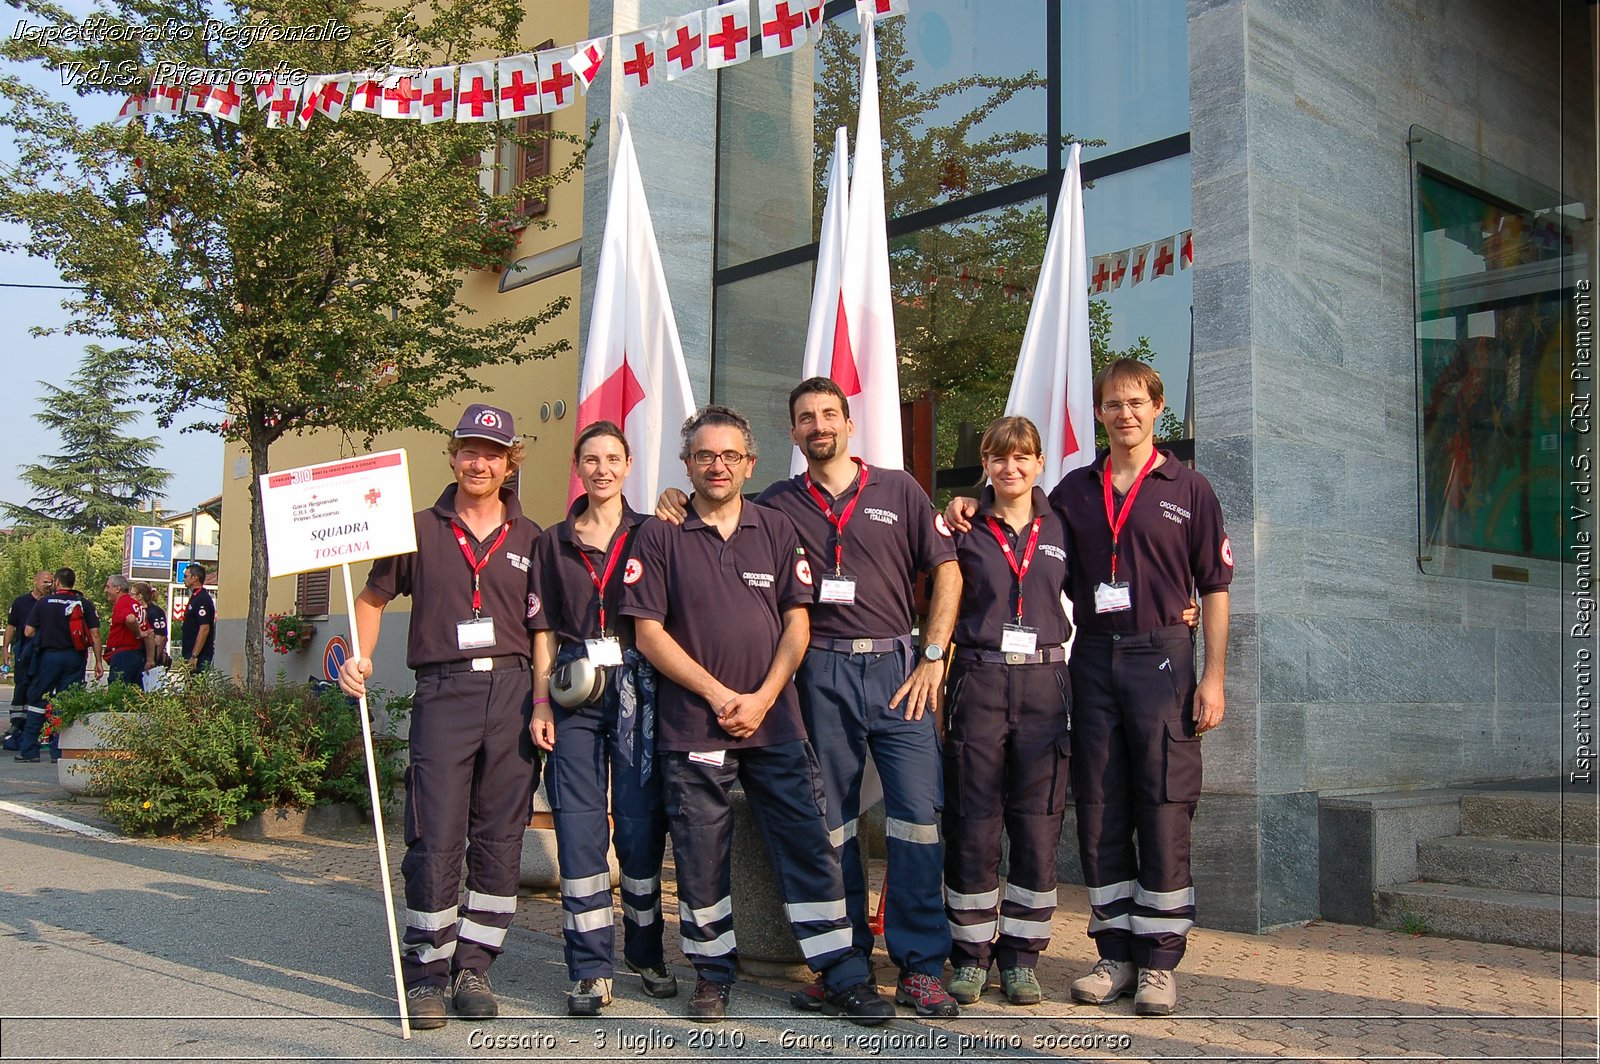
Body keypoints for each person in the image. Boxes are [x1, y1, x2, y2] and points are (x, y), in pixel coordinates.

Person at [655, 377, 963, 1019]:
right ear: (792, 434)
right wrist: (675, 501)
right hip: (818, 674)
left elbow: (948, 570)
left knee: (917, 818)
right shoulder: (776, 505)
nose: (818, 425)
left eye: (829, 414)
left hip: (897, 669)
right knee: (833, 825)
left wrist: (934, 655)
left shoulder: (900, 489)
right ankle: (841, 964)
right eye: (805, 418)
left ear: (848, 423)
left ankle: (921, 967)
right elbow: (716, 513)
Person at [945, 359, 1232, 1016]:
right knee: (1100, 806)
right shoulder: (1074, 490)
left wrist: (1213, 675)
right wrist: (964, 503)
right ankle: (1114, 954)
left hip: (1161, 656)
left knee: (1162, 804)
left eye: (1136, 402)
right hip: (1093, 657)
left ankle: (1159, 961)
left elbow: (1214, 589)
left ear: (1158, 408)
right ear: (1099, 413)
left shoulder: (1189, 489)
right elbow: (1014, 519)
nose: (1124, 413)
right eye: (1112, 404)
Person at [622, 404, 892, 1026]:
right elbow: (649, 635)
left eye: (729, 456)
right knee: (699, 852)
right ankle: (712, 975)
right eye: (704, 456)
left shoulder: (775, 527)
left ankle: (845, 976)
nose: (717, 466)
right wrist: (720, 697)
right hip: (693, 725)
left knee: (808, 843)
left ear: (750, 463)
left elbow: (798, 623)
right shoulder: (659, 535)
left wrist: (765, 696)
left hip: (774, 720)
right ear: (687, 465)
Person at [337, 403, 542, 1030]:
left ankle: (475, 964)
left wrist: (539, 700)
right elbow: (371, 598)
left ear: (510, 464)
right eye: (469, 449)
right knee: (435, 834)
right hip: (444, 691)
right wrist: (359, 657)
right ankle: (426, 967)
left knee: (501, 838)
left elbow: (543, 631)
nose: (479, 462)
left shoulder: (534, 539)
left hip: (511, 693)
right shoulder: (416, 528)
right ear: (453, 456)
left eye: (493, 452)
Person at [527, 420, 674, 1016]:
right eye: (591, 459)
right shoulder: (552, 541)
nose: (602, 468)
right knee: (580, 828)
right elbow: (540, 629)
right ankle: (589, 967)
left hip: (639, 685)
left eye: (613, 458)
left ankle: (644, 951)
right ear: (578, 467)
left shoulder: (654, 532)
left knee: (639, 830)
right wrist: (540, 701)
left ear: (629, 464)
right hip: (573, 687)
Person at [940, 415, 1074, 1007]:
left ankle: (1020, 959)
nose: (1010, 468)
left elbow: (1119, 582)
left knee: (1038, 824)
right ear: (986, 466)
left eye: (1021, 458)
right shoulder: (962, 528)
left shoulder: (1064, 525)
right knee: (973, 822)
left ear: (1039, 463)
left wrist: (1185, 614)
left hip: (1047, 683)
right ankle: (970, 956)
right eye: (998, 459)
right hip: (980, 678)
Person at [17, 567, 103, 763]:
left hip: (49, 657)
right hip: (75, 658)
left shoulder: (44, 603)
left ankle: (29, 750)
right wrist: (98, 661)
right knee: (66, 702)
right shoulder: (84, 603)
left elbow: (28, 632)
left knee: (38, 699)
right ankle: (60, 751)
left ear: (56, 582)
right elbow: (95, 635)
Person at [4, 570, 53, 750]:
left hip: (44, 652)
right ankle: (17, 724)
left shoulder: (52, 602)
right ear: (35, 581)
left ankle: (39, 728)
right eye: (45, 581)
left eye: (51, 582)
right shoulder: (21, 602)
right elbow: (11, 627)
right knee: (22, 687)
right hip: (24, 651)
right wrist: (5, 649)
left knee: (41, 690)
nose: (48, 585)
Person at [103, 574, 147, 688]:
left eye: (108, 587)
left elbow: (130, 619)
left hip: (123, 656)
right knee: (134, 694)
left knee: (118, 693)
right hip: (137, 655)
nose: (105, 590)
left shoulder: (122, 603)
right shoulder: (138, 606)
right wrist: (150, 660)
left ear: (117, 589)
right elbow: (149, 635)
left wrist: (137, 634)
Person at [132, 581, 171, 683]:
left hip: (148, 658)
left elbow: (161, 638)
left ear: (140, 596)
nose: (130, 597)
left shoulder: (154, 612)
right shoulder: (137, 611)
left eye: (132, 594)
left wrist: (153, 660)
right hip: (137, 656)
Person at [179, 564, 215, 671]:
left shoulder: (202, 599)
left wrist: (194, 655)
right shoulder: (195, 597)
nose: (183, 579)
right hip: (189, 651)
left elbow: (204, 629)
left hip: (199, 655)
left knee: (195, 684)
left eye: (186, 576)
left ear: (195, 578)